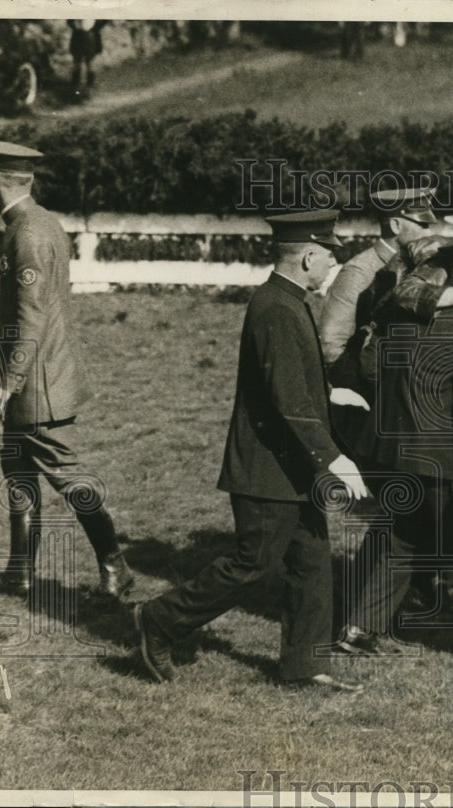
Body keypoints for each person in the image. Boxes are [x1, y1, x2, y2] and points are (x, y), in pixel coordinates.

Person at [133, 210, 370, 691]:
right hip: (268, 469)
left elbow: (290, 378)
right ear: (308, 256)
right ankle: (158, 619)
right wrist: (336, 458)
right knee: (253, 564)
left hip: (289, 467)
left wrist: (331, 394)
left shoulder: (289, 300)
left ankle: (304, 666)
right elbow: (287, 401)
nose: (332, 264)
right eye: (329, 255)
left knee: (312, 563)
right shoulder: (278, 308)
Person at [336, 227, 453, 660]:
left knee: (405, 534)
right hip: (443, 453)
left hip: (390, 447)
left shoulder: (401, 310)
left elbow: (372, 364)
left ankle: (358, 630)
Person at [0, 140, 134, 598]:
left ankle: (115, 565)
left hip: (37, 384)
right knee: (17, 469)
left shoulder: (27, 232)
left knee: (67, 475)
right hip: (40, 377)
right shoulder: (40, 222)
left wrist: (10, 382)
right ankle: (20, 572)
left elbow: (30, 314)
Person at [319, 186, 437, 366]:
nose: (429, 233)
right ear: (395, 225)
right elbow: (331, 346)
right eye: (423, 225)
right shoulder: (359, 272)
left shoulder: (417, 266)